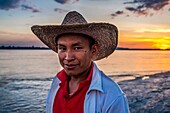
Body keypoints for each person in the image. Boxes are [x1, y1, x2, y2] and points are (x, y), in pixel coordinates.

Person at [31, 11, 129, 113]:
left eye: (77, 48)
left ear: (93, 50)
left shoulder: (112, 96)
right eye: (63, 48)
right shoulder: (57, 82)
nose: (68, 57)